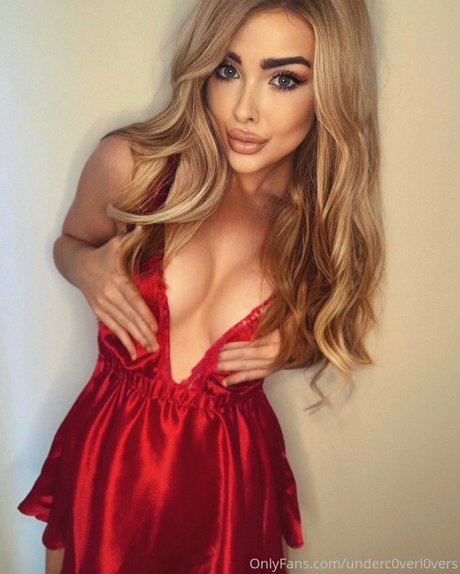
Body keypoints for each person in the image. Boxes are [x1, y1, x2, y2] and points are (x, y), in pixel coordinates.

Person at [17, 0, 384, 572]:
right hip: (110, 467)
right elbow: (71, 243)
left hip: (230, 485)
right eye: (228, 69)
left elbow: (327, 332)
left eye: (284, 79)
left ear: (331, 90)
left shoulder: (315, 230)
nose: (244, 109)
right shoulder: (135, 166)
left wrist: (291, 347)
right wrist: (84, 268)